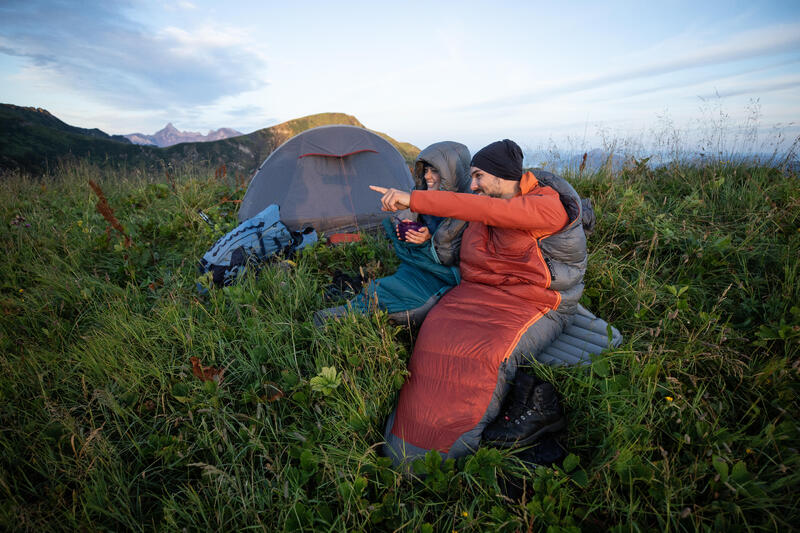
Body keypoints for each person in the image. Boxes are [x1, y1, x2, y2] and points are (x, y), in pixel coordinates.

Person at [370, 139, 589, 466]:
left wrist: (415, 198)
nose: (472, 186)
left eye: (478, 177)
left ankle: (441, 453)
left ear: (502, 176)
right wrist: (417, 225)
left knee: (483, 355)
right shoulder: (487, 199)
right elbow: (454, 245)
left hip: (534, 302)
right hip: (475, 293)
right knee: (435, 335)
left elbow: (491, 211)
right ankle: (407, 443)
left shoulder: (546, 204)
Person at [315, 141, 471, 327]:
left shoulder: (469, 209)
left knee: (408, 302)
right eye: (426, 170)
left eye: (435, 171)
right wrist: (405, 221)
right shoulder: (422, 197)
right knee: (382, 287)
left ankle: (344, 319)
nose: (428, 176)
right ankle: (349, 311)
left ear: (453, 174)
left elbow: (460, 256)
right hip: (416, 267)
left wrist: (429, 241)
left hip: (441, 276)